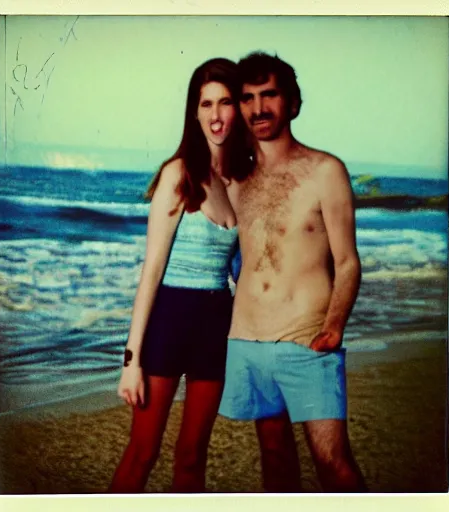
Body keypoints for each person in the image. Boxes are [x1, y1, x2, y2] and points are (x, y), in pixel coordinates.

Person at [219, 52, 368, 493]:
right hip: (247, 340)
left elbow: (347, 262)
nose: (258, 108)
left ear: (293, 103)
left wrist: (335, 326)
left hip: (307, 338)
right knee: (275, 460)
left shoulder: (326, 171)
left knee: (334, 464)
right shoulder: (234, 179)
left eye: (269, 95)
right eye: (247, 98)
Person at [109, 57, 252, 494]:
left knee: (192, 457)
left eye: (225, 102)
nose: (215, 115)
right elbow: (151, 271)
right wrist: (131, 361)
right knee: (142, 452)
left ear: (238, 109)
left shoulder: (244, 181)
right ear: (194, 111)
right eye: (205, 103)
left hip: (216, 328)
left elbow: (247, 271)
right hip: (169, 322)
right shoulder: (179, 174)